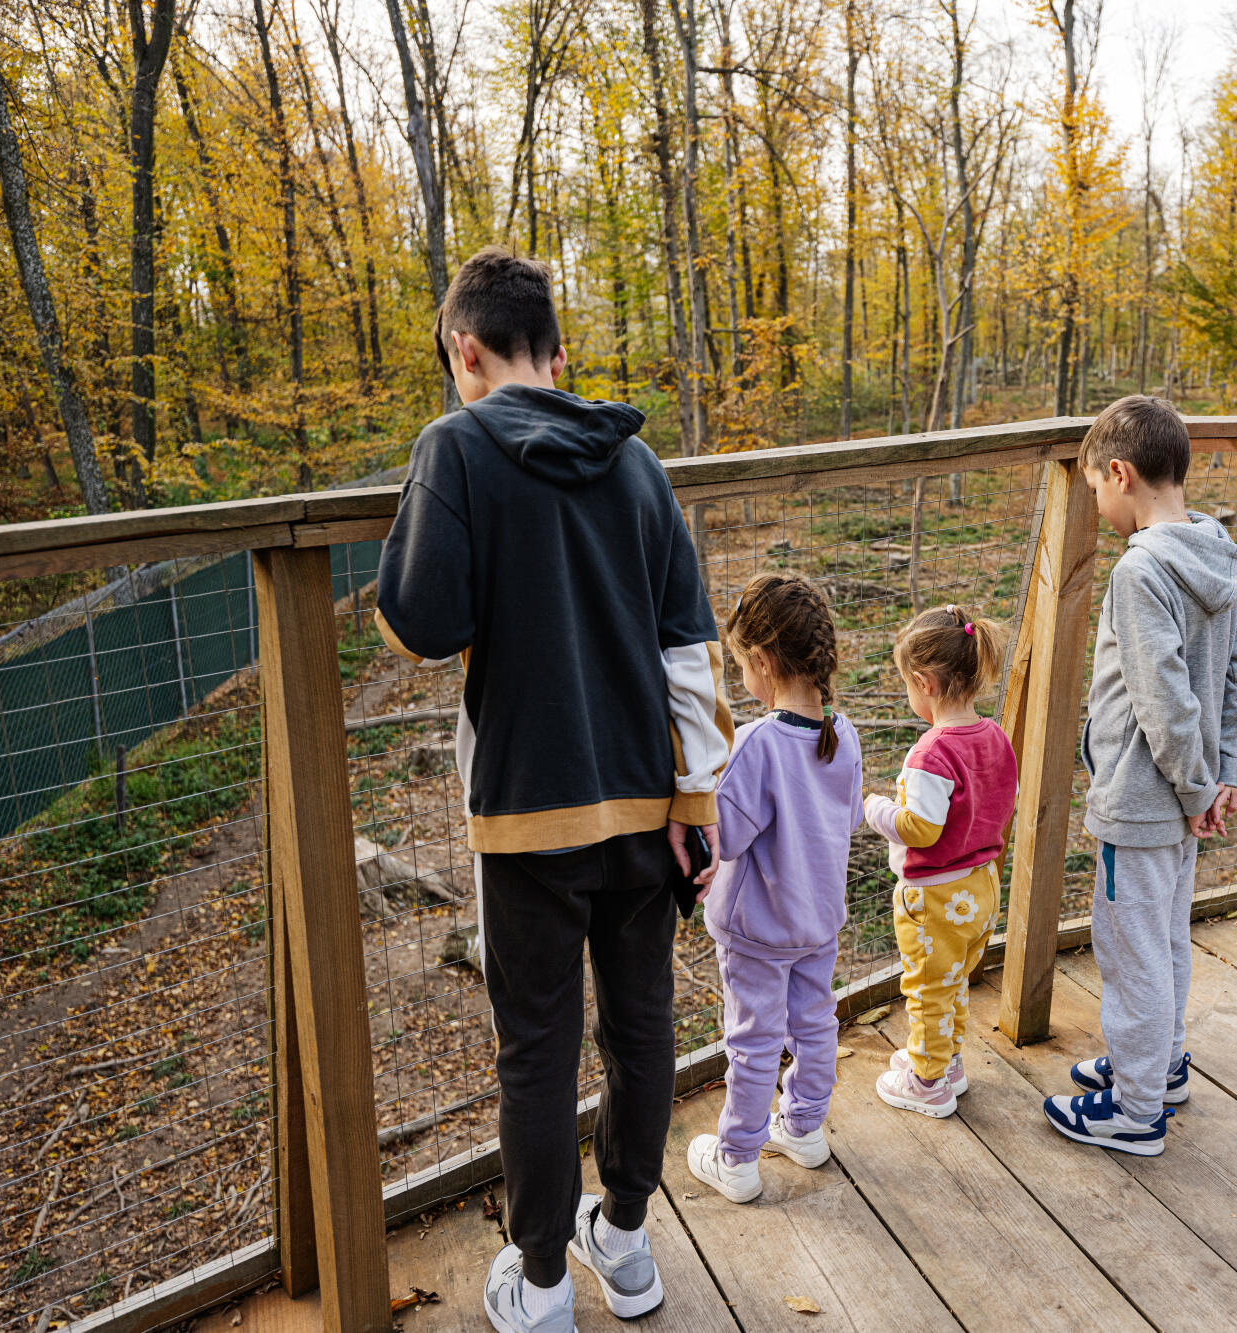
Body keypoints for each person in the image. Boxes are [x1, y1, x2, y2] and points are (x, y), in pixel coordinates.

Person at [374, 246, 733, 1330]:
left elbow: (420, 624)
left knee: (534, 1051)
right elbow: (689, 648)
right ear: (559, 355)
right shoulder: (635, 461)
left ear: (464, 352)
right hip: (645, 802)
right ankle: (624, 1245)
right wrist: (696, 802)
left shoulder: (455, 447)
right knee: (641, 1026)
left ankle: (537, 1289)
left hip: (527, 816)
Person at [1042, 394, 1237, 1158]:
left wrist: (1197, 788)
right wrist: (1225, 772)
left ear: (1121, 473)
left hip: (1141, 802)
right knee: (1164, 939)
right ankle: (1159, 1068)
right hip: (1188, 802)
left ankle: (1135, 1110)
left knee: (1131, 952)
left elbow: (1162, 702)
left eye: (1095, 487)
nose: (1096, 502)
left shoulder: (1139, 574)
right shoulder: (1214, 552)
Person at [684, 573, 863, 1203]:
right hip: (818, 924)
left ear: (761, 662)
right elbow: (846, 820)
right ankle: (805, 1129)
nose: (744, 682)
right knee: (815, 1025)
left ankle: (736, 1157)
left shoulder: (758, 742)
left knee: (754, 1041)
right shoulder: (842, 733)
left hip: (757, 931)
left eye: (742, 669)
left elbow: (724, 835)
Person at [864, 605, 1016, 1118]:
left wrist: (877, 809)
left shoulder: (930, 753)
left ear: (925, 682)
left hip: (935, 896)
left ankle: (927, 1083)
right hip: (981, 885)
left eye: (907, 683)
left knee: (927, 987)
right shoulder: (992, 736)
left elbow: (919, 828)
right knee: (952, 981)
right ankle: (946, 1061)